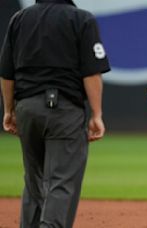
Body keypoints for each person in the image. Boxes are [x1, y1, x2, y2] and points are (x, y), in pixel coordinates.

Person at [0, 0, 110, 227]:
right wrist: (96, 114)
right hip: (63, 110)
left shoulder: (19, 19)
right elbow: (91, 73)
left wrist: (9, 110)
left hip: (26, 108)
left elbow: (6, 72)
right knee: (62, 181)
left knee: (33, 182)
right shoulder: (81, 19)